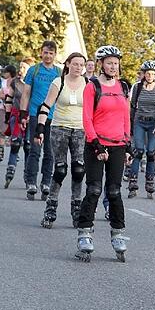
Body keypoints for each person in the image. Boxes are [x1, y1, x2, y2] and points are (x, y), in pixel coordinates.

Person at [75, 45, 131, 262]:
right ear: (101, 64)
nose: (113, 67)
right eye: (109, 63)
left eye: (116, 63)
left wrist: (128, 144)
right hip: (96, 144)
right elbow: (87, 117)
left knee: (115, 191)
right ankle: (85, 233)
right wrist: (96, 144)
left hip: (118, 144)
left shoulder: (123, 86)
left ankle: (117, 233)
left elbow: (126, 116)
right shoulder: (92, 86)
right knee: (94, 189)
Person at [35, 52, 88, 229]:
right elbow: (46, 105)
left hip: (80, 129)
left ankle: (76, 206)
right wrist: (40, 128)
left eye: (81, 65)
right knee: (60, 170)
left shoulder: (87, 84)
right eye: (75, 64)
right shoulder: (59, 82)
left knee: (79, 169)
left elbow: (93, 110)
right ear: (68, 64)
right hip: (59, 128)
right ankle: (51, 205)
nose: (78, 68)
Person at [21, 40, 60, 200]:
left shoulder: (58, 72)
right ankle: (31, 182)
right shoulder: (34, 70)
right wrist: (24, 114)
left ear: (55, 55)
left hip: (53, 115)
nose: (48, 56)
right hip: (35, 114)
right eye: (45, 52)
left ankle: (46, 182)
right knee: (35, 149)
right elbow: (26, 93)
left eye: (51, 53)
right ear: (41, 53)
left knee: (50, 151)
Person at [127, 60, 155, 199]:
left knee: (151, 153)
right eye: (147, 73)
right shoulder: (137, 87)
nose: (149, 76)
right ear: (143, 74)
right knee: (138, 151)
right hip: (139, 121)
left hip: (154, 123)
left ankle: (149, 183)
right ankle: (133, 183)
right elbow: (132, 107)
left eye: (152, 74)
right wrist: (130, 126)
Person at [3, 62, 31, 187]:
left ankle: (28, 173)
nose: (21, 69)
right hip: (16, 115)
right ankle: (10, 168)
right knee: (15, 143)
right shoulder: (15, 82)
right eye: (21, 67)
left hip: (31, 116)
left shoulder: (33, 82)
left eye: (24, 67)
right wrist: (8, 116)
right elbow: (9, 98)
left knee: (28, 146)